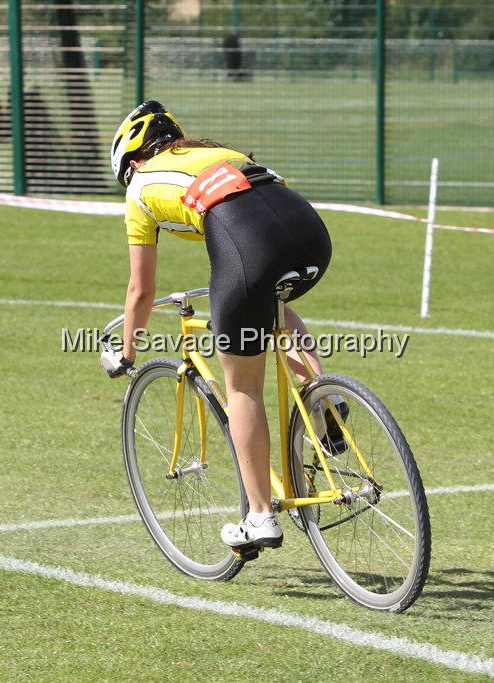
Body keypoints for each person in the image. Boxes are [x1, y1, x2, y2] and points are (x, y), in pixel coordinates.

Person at [104, 100, 342, 553]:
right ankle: (324, 399)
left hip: (251, 245)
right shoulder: (223, 154)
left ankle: (259, 516)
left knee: (243, 388)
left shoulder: (140, 187)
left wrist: (126, 353)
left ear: (133, 162)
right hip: (310, 233)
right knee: (272, 308)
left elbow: (140, 291)